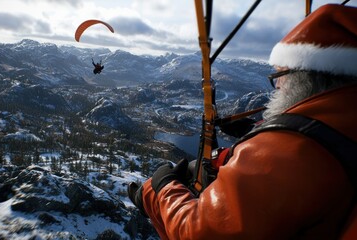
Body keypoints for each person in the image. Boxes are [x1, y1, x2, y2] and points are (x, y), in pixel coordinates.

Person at [128, 4, 357, 239]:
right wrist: (254, 130)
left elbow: (198, 232)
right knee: (198, 168)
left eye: (279, 76)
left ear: (304, 79)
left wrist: (162, 186)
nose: (277, 86)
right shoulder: (341, 121)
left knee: (176, 180)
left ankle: (144, 195)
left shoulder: (292, 150)